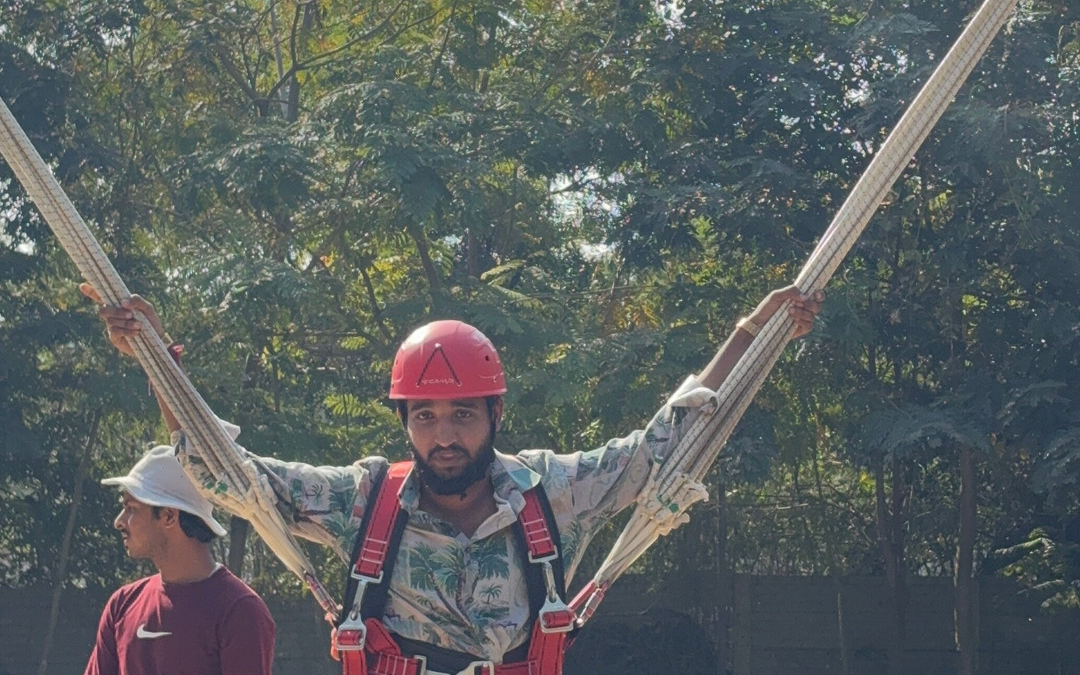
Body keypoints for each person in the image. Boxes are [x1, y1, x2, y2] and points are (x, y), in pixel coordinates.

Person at [84, 282, 820, 672]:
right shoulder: (364, 500)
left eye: (463, 415)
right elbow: (229, 474)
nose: (444, 437)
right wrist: (159, 361)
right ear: (406, 421)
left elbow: (664, 447)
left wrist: (751, 336)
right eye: (426, 417)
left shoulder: (549, 492)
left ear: (495, 414)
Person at [84, 444, 277, 675]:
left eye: (131, 508)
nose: (119, 521)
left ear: (169, 516)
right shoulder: (121, 604)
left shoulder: (240, 611)